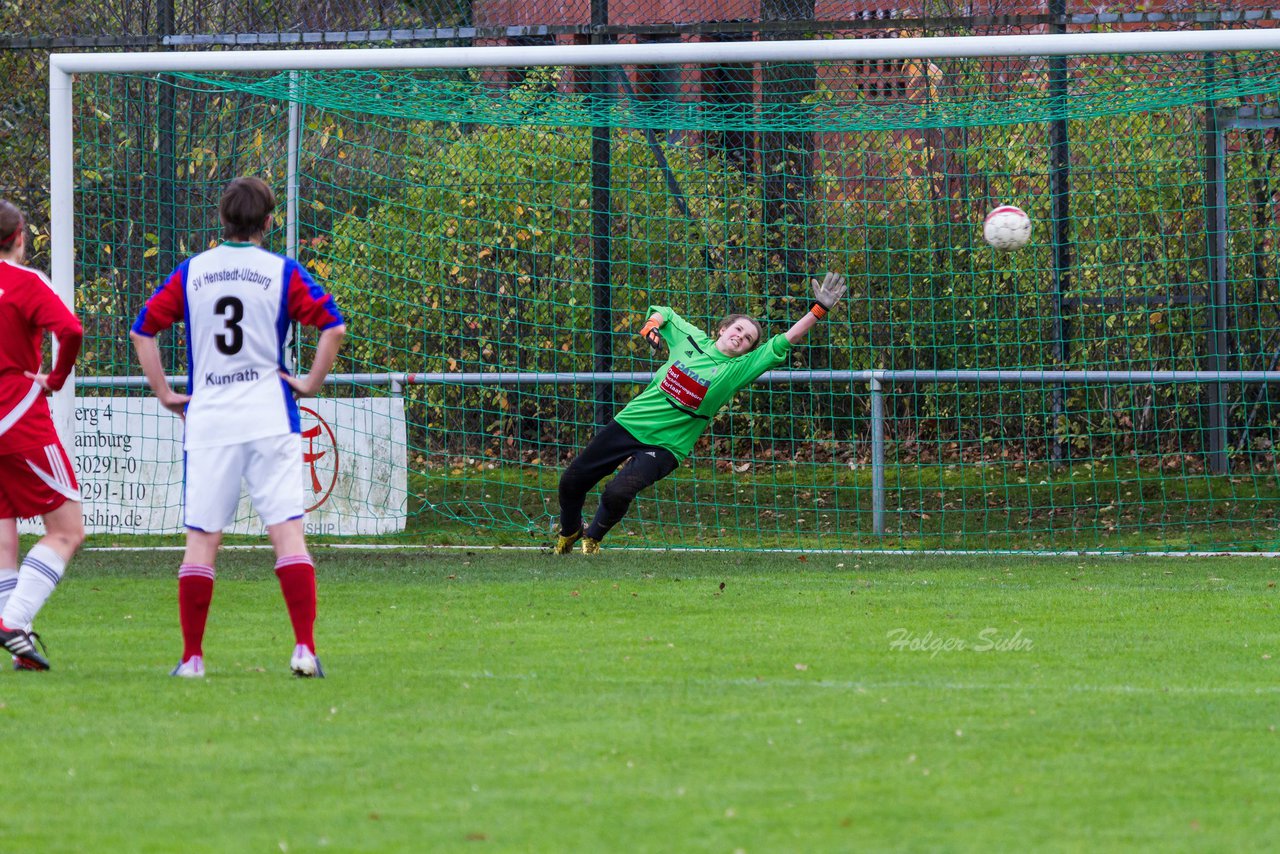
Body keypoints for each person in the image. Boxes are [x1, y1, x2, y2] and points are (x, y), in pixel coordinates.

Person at [130, 176, 346, 678]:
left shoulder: (193, 272)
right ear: (269, 222)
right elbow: (332, 325)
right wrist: (310, 382)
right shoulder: (281, 271)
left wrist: (165, 393)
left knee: (203, 540)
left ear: (221, 220)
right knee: (288, 534)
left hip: (211, 421)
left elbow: (143, 330)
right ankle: (304, 650)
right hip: (270, 416)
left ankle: (192, 659)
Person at [554, 272, 847, 554]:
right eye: (738, 330)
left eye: (747, 339)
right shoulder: (690, 340)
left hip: (667, 445)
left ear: (748, 351)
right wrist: (651, 326)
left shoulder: (737, 370)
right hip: (629, 424)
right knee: (571, 482)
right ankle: (569, 531)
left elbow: (785, 339)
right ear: (723, 328)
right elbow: (663, 311)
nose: (741, 337)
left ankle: (593, 538)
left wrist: (819, 309)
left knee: (617, 492)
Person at [0, 199, 85, 671]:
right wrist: (54, 379)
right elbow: (70, 330)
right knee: (68, 531)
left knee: (4, 528)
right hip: (17, 420)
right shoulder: (25, 281)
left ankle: (22, 641)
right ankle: (14, 621)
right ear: (18, 238)